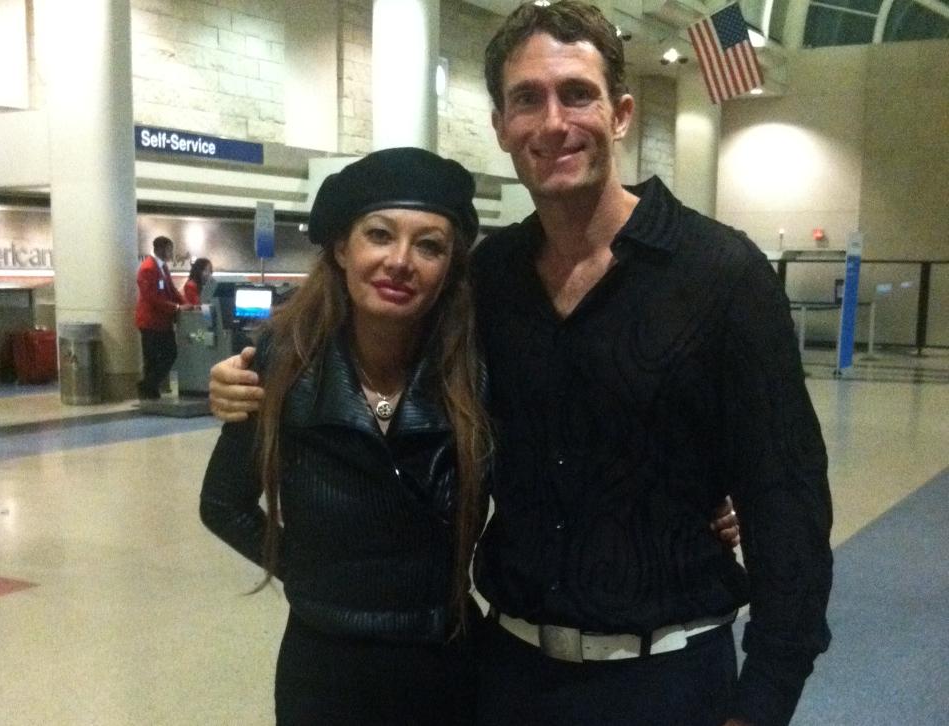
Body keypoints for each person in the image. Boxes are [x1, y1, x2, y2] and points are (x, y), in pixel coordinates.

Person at [207, 3, 830, 725]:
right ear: (501, 125)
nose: (553, 122)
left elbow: (789, 505)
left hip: (667, 680)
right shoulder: (487, 282)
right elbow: (375, 330)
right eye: (527, 99)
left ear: (620, 113)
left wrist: (762, 702)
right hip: (508, 676)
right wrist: (249, 378)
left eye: (577, 94)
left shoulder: (721, 276)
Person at [199, 147, 492, 726]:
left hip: (445, 661)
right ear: (341, 247)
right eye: (379, 235)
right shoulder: (282, 363)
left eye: (429, 245)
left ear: (450, 265)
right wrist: (314, 575)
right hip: (325, 667)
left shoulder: (477, 371)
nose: (400, 262)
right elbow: (222, 504)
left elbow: (553, 477)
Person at [135, 235, 189, 400]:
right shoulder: (147, 269)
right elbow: (152, 298)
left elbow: (171, 290)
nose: (171, 253)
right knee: (155, 357)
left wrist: (186, 303)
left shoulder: (163, 267)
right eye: (169, 250)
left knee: (168, 354)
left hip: (162, 322)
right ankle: (147, 387)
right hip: (150, 322)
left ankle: (149, 387)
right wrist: (177, 307)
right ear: (159, 249)